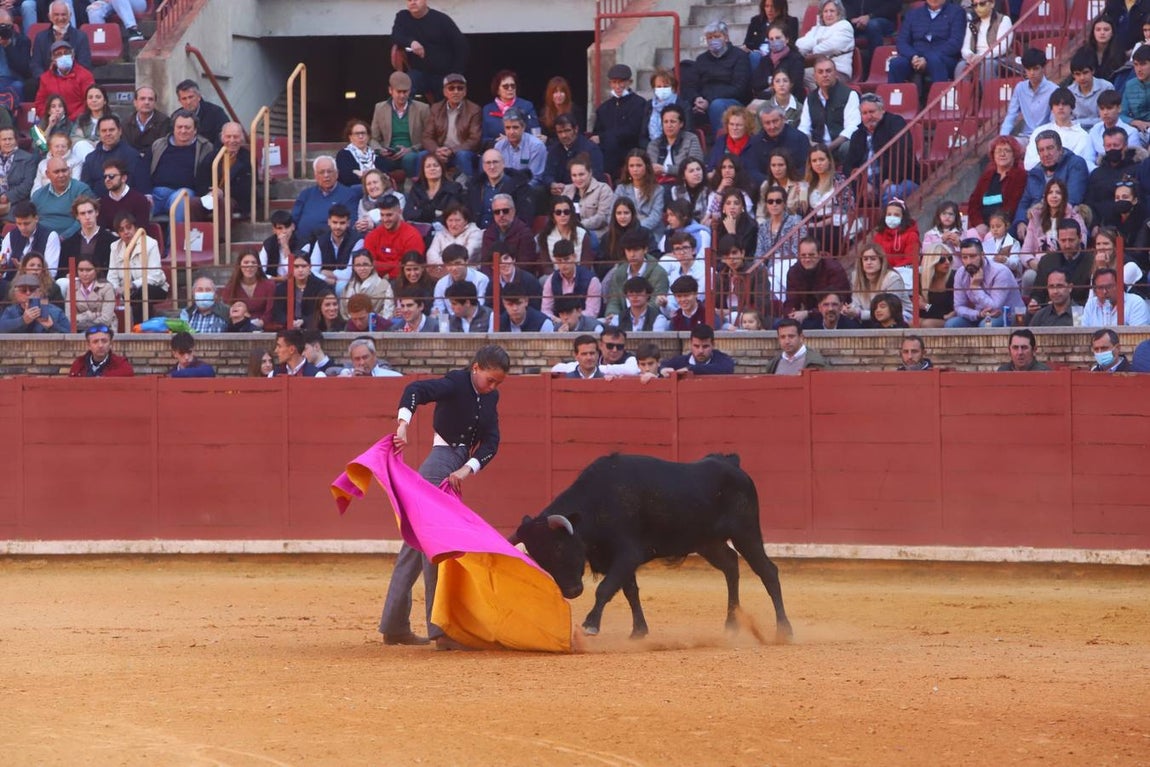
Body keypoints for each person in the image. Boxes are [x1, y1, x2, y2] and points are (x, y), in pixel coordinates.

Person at [378, 344, 509, 649]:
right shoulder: (455, 382)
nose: (493, 387)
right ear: (475, 368)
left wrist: (467, 470)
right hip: (438, 464)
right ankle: (441, 631)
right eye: (490, 380)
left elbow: (492, 441)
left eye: (498, 383)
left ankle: (394, 626)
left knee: (414, 546)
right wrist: (403, 424)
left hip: (453, 465)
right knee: (435, 546)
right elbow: (415, 389)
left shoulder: (492, 397)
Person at [843, 92, 920, 205]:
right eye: (864, 113)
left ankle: (882, 222)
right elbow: (848, 165)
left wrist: (891, 178)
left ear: (882, 110)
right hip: (868, 186)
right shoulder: (857, 135)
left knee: (891, 192)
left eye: (872, 112)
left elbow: (902, 154)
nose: (869, 116)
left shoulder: (895, 123)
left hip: (901, 181)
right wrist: (862, 184)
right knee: (845, 195)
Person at [1012, 131, 1089, 239]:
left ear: (1060, 149)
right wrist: (1020, 221)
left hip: (1063, 218)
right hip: (1034, 222)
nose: (1046, 154)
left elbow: (1073, 198)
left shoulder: (1075, 163)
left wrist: (1041, 215)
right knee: (1009, 234)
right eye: (1041, 150)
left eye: (1050, 148)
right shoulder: (1035, 172)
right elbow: (1024, 203)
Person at [390, 0, 467, 99]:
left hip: (443, 74)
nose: (412, 2)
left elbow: (462, 46)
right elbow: (395, 36)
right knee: (404, 86)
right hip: (419, 73)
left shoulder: (441, 19)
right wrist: (412, 42)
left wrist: (455, 73)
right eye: (409, 0)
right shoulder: (403, 17)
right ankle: (405, 114)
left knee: (448, 99)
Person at [149, 109, 214, 222]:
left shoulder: (205, 147)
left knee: (181, 201)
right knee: (139, 206)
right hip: (158, 192)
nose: (183, 131)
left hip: (185, 192)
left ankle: (175, 240)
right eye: (179, 127)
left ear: (195, 130)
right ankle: (142, 240)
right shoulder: (158, 145)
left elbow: (207, 175)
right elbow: (145, 169)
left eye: (187, 127)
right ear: (173, 128)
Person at [947, 237, 1024, 328]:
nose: (969, 262)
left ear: (982, 255)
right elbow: (959, 306)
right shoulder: (961, 273)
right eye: (965, 257)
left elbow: (994, 307)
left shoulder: (1000, 272)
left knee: (986, 325)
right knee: (951, 324)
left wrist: (975, 287)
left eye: (972, 256)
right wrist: (978, 314)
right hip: (981, 315)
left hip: (1007, 314)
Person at [592, 63, 650, 181]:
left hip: (629, 152)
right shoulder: (604, 108)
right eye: (614, 82)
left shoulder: (639, 104)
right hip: (608, 155)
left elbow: (633, 130)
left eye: (621, 82)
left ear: (630, 82)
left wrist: (603, 138)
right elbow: (596, 132)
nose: (618, 86)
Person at [797, 56, 860, 164]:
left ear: (835, 73)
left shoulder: (850, 94)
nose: (825, 75)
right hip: (817, 146)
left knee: (848, 147)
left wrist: (829, 147)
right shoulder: (810, 98)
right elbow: (804, 128)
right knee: (795, 143)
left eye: (828, 71)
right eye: (820, 72)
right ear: (815, 76)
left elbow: (852, 128)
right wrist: (813, 145)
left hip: (839, 145)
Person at [107, 211, 167, 320]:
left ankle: (140, 328)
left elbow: (155, 276)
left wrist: (133, 285)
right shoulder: (115, 247)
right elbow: (112, 275)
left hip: (154, 288)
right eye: (121, 230)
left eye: (128, 227)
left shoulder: (151, 243)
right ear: (118, 233)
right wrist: (116, 289)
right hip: (125, 291)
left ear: (135, 227)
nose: (126, 232)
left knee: (143, 292)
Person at [420, 72, 481, 180]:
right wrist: (436, 150)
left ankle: (468, 189)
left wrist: (452, 150)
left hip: (462, 152)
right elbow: (427, 136)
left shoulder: (474, 110)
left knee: (463, 155)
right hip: (440, 152)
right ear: (444, 91)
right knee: (422, 156)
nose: (456, 92)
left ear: (465, 92)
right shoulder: (436, 108)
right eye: (451, 88)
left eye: (460, 88)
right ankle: (420, 189)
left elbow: (474, 139)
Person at [798, 143, 853, 257]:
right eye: (814, 161)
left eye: (821, 159)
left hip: (834, 225)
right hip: (812, 222)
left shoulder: (839, 180)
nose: (818, 163)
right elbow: (803, 211)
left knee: (814, 234)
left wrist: (816, 225)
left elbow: (844, 209)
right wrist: (802, 195)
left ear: (829, 160)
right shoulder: (807, 182)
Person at [291, 155, 361, 245]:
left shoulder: (349, 195)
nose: (326, 175)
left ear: (337, 174)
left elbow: (351, 223)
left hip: (331, 245)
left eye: (330, 171)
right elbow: (293, 220)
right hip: (301, 244)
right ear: (315, 176)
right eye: (321, 172)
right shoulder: (305, 194)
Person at [603, 228, 669, 320]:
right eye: (628, 250)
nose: (632, 254)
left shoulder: (659, 273)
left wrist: (633, 316)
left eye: (636, 250)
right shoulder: (620, 272)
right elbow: (614, 300)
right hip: (623, 321)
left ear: (645, 249)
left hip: (650, 321)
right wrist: (612, 314)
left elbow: (656, 303)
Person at [1023, 89, 1095, 172]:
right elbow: (1029, 164)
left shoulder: (1082, 135)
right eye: (1057, 104)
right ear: (1052, 109)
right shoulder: (1039, 132)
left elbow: (1079, 164)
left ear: (1072, 107)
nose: (1060, 107)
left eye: (1064, 104)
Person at [967, 135, 1028, 232]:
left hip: (1004, 226)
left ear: (1014, 154)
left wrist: (994, 226)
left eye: (1007, 151)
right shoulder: (987, 175)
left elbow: (1012, 206)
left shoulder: (1020, 175)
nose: (1002, 154)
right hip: (982, 226)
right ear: (993, 154)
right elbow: (974, 203)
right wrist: (979, 224)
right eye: (998, 151)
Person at [80, 114, 150, 196]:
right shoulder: (91, 159)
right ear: (99, 133)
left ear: (120, 131)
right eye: (104, 131)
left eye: (111, 130)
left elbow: (142, 187)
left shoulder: (132, 156)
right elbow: (85, 188)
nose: (108, 133)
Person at [784, 235, 850, 322]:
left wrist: (808, 313)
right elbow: (791, 300)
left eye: (811, 255)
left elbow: (838, 303)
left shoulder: (834, 269)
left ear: (819, 255)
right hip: (809, 315)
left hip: (835, 315)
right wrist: (791, 313)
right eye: (803, 255)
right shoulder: (794, 272)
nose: (807, 259)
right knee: (778, 325)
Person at [304, 203, 363, 296]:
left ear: (348, 223)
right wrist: (325, 279)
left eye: (342, 223)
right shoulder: (321, 240)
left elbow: (350, 273)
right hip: (325, 282)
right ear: (329, 222)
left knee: (341, 287)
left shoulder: (357, 240)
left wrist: (326, 272)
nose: (338, 227)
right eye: (335, 222)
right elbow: (313, 271)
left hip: (350, 283)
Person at [1032, 218, 1094, 306]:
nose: (1067, 245)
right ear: (1057, 239)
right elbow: (1038, 293)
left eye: (1071, 240)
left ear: (1080, 237)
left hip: (1080, 312)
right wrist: (1034, 302)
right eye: (1063, 240)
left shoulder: (1092, 261)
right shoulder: (1046, 261)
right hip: (1051, 313)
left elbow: (1093, 298)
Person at [1000, 48, 1056, 142]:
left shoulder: (1054, 90)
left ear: (1043, 68)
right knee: (1004, 147)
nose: (1032, 73)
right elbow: (1011, 115)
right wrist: (1002, 138)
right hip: (1025, 136)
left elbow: (1054, 121)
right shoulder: (1020, 88)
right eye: (1028, 69)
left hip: (1046, 137)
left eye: (1036, 69)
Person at [795, 0, 855, 89]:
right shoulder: (817, 29)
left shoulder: (845, 26)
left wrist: (812, 48)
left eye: (832, 11)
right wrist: (817, 41)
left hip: (838, 71)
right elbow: (799, 45)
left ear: (839, 13)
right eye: (825, 11)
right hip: (818, 68)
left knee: (801, 75)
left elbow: (833, 46)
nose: (828, 14)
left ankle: (821, 101)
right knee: (794, 72)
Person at [363, 194, 425, 280]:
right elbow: (368, 264)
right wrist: (395, 264)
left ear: (399, 212)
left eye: (389, 215)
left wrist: (388, 275)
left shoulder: (412, 236)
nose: (385, 219)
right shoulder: (372, 236)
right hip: (374, 278)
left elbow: (410, 267)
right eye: (382, 215)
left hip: (403, 280)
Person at [843, 242, 907, 324]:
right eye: (865, 259)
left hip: (898, 318)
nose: (869, 262)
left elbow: (890, 311)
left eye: (873, 259)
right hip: (869, 319)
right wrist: (849, 309)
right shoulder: (856, 277)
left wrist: (859, 313)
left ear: (881, 261)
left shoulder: (892, 278)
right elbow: (856, 303)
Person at [469, 150, 534, 230]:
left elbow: (524, 218)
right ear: (483, 166)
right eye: (488, 163)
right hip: (476, 234)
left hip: (505, 235)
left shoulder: (519, 187)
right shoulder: (475, 186)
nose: (492, 166)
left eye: (495, 162)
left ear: (503, 163)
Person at [749, 22, 807, 109]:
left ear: (786, 39)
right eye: (771, 39)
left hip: (790, 102)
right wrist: (772, 82)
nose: (774, 41)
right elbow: (756, 84)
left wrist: (770, 83)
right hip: (766, 99)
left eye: (778, 38)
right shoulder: (766, 60)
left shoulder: (796, 59)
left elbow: (794, 86)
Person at [30, 156, 90, 238]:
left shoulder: (81, 190)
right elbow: (31, 219)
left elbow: (84, 219)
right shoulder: (38, 195)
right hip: (43, 239)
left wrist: (63, 237)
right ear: (47, 174)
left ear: (69, 170)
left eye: (64, 170)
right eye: (56, 172)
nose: (61, 175)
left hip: (73, 239)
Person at [748, 104, 809, 185]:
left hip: (794, 185)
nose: (772, 126)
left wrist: (787, 182)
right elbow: (752, 170)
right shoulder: (755, 142)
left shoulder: (799, 138)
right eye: (767, 123)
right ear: (762, 124)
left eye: (775, 121)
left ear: (783, 119)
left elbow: (805, 167)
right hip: (765, 186)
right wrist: (771, 183)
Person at [954, 0, 1013, 83]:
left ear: (992, 3)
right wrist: (970, 56)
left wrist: (981, 56)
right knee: (960, 66)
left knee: (987, 65)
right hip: (976, 58)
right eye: (975, 5)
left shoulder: (1004, 20)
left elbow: (1001, 47)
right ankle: (964, 95)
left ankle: (988, 95)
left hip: (999, 58)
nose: (978, 8)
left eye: (982, 4)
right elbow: (965, 48)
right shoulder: (972, 24)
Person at [34, 39, 93, 121]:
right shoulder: (45, 78)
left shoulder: (85, 75)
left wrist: (69, 120)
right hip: (53, 121)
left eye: (66, 53)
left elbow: (89, 102)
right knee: (36, 132)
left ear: (72, 55)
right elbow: (39, 104)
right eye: (58, 54)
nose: (63, 56)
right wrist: (50, 117)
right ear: (53, 59)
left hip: (79, 121)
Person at [542, 239, 601, 320]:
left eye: (566, 259)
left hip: (584, 326)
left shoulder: (591, 280)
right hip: (559, 325)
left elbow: (592, 313)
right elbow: (545, 310)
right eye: (559, 260)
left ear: (574, 257)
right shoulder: (551, 280)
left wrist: (570, 320)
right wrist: (557, 320)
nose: (563, 264)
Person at [480, 69, 540, 149]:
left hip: (522, 150)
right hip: (495, 151)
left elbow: (534, 133)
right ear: (497, 90)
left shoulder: (527, 106)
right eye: (506, 86)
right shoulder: (487, 109)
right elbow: (484, 140)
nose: (510, 89)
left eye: (513, 86)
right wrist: (498, 142)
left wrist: (510, 140)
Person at [613, 149, 665, 239]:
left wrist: (634, 229)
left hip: (650, 233)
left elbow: (655, 217)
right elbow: (612, 212)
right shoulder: (621, 189)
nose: (635, 169)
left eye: (639, 165)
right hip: (623, 232)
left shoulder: (658, 190)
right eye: (631, 166)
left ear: (646, 167)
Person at [494, 108, 548, 194]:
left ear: (523, 127)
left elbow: (536, 178)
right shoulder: (499, 146)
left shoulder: (536, 146)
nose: (511, 132)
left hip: (528, 189)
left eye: (515, 127)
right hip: (504, 189)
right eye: (507, 128)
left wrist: (514, 191)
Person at [479, 191, 537, 271]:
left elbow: (525, 266)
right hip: (493, 278)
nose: (501, 215)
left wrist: (505, 276)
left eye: (505, 211)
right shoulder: (488, 233)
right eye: (497, 212)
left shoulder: (525, 233)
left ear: (513, 211)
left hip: (517, 278)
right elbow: (485, 264)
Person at [547, 117, 604, 198]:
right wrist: (552, 184)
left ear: (576, 129)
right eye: (560, 132)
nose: (564, 135)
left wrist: (571, 188)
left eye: (567, 130)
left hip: (584, 192)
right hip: (559, 194)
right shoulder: (554, 149)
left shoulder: (590, 148)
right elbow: (547, 174)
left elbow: (596, 175)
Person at [404, 152, 462, 230]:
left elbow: (451, 214)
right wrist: (435, 213)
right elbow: (408, 214)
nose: (432, 168)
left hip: (445, 231)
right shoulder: (417, 189)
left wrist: (421, 213)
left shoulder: (454, 188)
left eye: (436, 165)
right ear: (423, 171)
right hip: (420, 231)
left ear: (442, 168)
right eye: (428, 166)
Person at [562, 155, 612, 241]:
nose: (578, 179)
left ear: (590, 173)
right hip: (567, 231)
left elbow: (602, 218)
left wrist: (577, 226)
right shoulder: (566, 190)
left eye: (581, 174)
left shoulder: (603, 189)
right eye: (574, 175)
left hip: (593, 234)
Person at [272, 252, 329, 329]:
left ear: (310, 267)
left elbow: (321, 312)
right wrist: (289, 322)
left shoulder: (321, 286)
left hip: (313, 328)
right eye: (296, 266)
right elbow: (278, 312)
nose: (300, 270)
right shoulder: (282, 288)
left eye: (304, 266)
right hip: (288, 328)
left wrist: (304, 321)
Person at [647, 104, 704, 180]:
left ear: (681, 124)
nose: (669, 125)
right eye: (665, 122)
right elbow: (651, 169)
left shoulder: (691, 139)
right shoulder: (654, 144)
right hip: (658, 185)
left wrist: (666, 169)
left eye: (673, 121)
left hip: (684, 183)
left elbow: (695, 168)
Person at [221, 250, 275, 329]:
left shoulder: (269, 285)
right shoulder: (231, 287)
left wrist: (261, 322)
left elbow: (270, 311)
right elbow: (226, 310)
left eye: (253, 263)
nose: (250, 266)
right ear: (240, 265)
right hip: (238, 328)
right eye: (246, 262)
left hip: (262, 328)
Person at [432, 243, 490, 316]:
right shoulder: (441, 284)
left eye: (458, 263)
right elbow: (439, 310)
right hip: (451, 324)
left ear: (466, 261)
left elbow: (480, 307)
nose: (454, 268)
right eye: (449, 264)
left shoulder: (481, 280)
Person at [62, 254, 113, 331]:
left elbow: (106, 320)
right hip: (78, 331)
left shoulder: (107, 287)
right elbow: (69, 319)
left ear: (97, 270)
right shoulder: (72, 287)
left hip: (103, 330)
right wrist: (92, 315)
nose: (84, 274)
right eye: (81, 270)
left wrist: (80, 319)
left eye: (88, 270)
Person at [0, 272, 66, 332]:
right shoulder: (10, 311)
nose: (28, 293)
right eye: (23, 290)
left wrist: (52, 326)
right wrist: (22, 320)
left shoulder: (55, 312)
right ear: (16, 294)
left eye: (32, 289)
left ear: (40, 292)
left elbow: (69, 335)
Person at [1067, 49, 1115, 132]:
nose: (1082, 78)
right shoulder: (1069, 92)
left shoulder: (1106, 87)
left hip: (1103, 130)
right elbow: (1067, 120)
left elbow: (1109, 117)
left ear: (1093, 71)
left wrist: (1078, 122)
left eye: (1085, 73)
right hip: (1076, 132)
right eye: (1078, 74)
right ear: (1073, 75)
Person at [1083, 267, 1150, 326]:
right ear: (1094, 290)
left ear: (1120, 285)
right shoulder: (1091, 305)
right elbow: (1085, 336)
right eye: (1100, 288)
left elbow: (1138, 337)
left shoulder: (1135, 303)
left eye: (1109, 287)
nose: (1105, 291)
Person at [98, 157, 150, 231]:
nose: (107, 179)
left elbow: (141, 230)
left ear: (124, 178)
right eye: (105, 176)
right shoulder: (102, 203)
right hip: (111, 242)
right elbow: (102, 231)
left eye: (111, 176)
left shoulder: (140, 200)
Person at [174, 79, 229, 150]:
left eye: (191, 97)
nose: (188, 102)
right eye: (184, 99)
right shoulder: (176, 117)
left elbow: (224, 138)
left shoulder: (216, 113)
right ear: (179, 101)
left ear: (199, 97)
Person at [661, 324, 735, 375]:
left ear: (713, 345)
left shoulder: (723, 360)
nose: (700, 351)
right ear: (690, 344)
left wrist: (691, 369)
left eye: (705, 346)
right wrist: (662, 370)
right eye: (696, 346)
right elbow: (661, 366)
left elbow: (727, 368)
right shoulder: (679, 361)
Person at [67, 323, 137, 377]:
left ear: (110, 343)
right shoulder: (78, 364)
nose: (100, 345)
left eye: (104, 341)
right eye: (95, 342)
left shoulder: (121, 365)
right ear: (89, 345)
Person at [336, 118, 387, 188]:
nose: (360, 136)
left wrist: (361, 174)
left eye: (363, 133)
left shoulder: (376, 155)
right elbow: (346, 178)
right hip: (355, 191)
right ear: (350, 137)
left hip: (377, 190)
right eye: (357, 134)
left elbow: (384, 176)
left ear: (368, 136)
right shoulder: (344, 154)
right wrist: (373, 176)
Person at [0, 126, 37, 222]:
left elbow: (27, 185)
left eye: (10, 139)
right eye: (4, 139)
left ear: (16, 140)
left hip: (16, 203)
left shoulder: (28, 159)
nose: (7, 142)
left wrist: (7, 197)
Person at [122, 86, 170, 156]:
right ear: (135, 102)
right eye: (142, 99)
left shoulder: (164, 122)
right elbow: (125, 148)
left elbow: (162, 148)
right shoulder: (126, 123)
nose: (146, 102)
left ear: (155, 103)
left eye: (150, 99)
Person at [917, 249, 955, 327]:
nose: (947, 262)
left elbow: (951, 310)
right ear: (931, 261)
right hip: (934, 316)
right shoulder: (922, 279)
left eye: (949, 258)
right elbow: (921, 309)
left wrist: (926, 306)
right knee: (912, 322)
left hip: (951, 318)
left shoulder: (953, 277)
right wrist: (926, 307)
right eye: (941, 259)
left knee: (927, 324)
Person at [539, 75, 583, 142]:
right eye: (555, 92)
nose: (559, 95)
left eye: (562, 92)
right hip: (551, 148)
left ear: (566, 94)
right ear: (550, 94)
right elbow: (544, 135)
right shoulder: (544, 112)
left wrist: (548, 140)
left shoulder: (575, 110)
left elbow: (579, 135)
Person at [333, 337, 402, 377]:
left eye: (365, 357)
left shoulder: (393, 376)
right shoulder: (346, 379)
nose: (362, 362)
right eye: (357, 359)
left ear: (374, 356)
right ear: (352, 361)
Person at [1121, 45, 1150, 136]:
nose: (1138, 69)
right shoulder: (1130, 85)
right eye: (1136, 64)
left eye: (1143, 64)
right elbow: (1121, 114)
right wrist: (1134, 122)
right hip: (1136, 129)